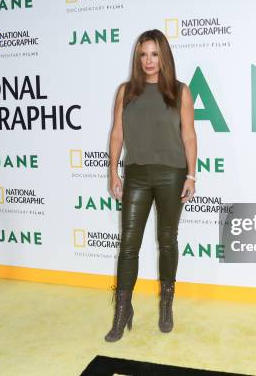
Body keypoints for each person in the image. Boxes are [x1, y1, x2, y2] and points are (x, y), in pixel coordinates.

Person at [105, 29, 197, 342]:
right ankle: (122, 310)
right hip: (136, 174)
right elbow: (117, 134)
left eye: (154, 54)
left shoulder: (180, 91)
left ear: (164, 56)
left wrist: (192, 175)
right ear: (137, 57)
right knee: (128, 244)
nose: (148, 61)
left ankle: (166, 305)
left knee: (167, 239)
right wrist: (113, 172)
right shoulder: (125, 91)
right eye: (143, 54)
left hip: (172, 173)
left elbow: (188, 135)